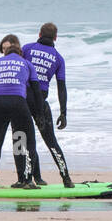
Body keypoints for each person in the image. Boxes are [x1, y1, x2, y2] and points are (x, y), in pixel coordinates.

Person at [0, 34, 44, 189]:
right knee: (27, 141)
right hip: (19, 103)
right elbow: (36, 91)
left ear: (5, 53)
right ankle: (27, 181)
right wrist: (39, 114)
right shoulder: (26, 64)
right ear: (19, 53)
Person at [21, 22, 74, 188]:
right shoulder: (58, 58)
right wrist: (63, 112)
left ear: (39, 34)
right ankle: (66, 179)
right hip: (40, 103)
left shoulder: (27, 49)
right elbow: (61, 88)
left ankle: (29, 178)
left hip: (22, 100)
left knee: (24, 139)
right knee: (51, 141)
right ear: (55, 37)